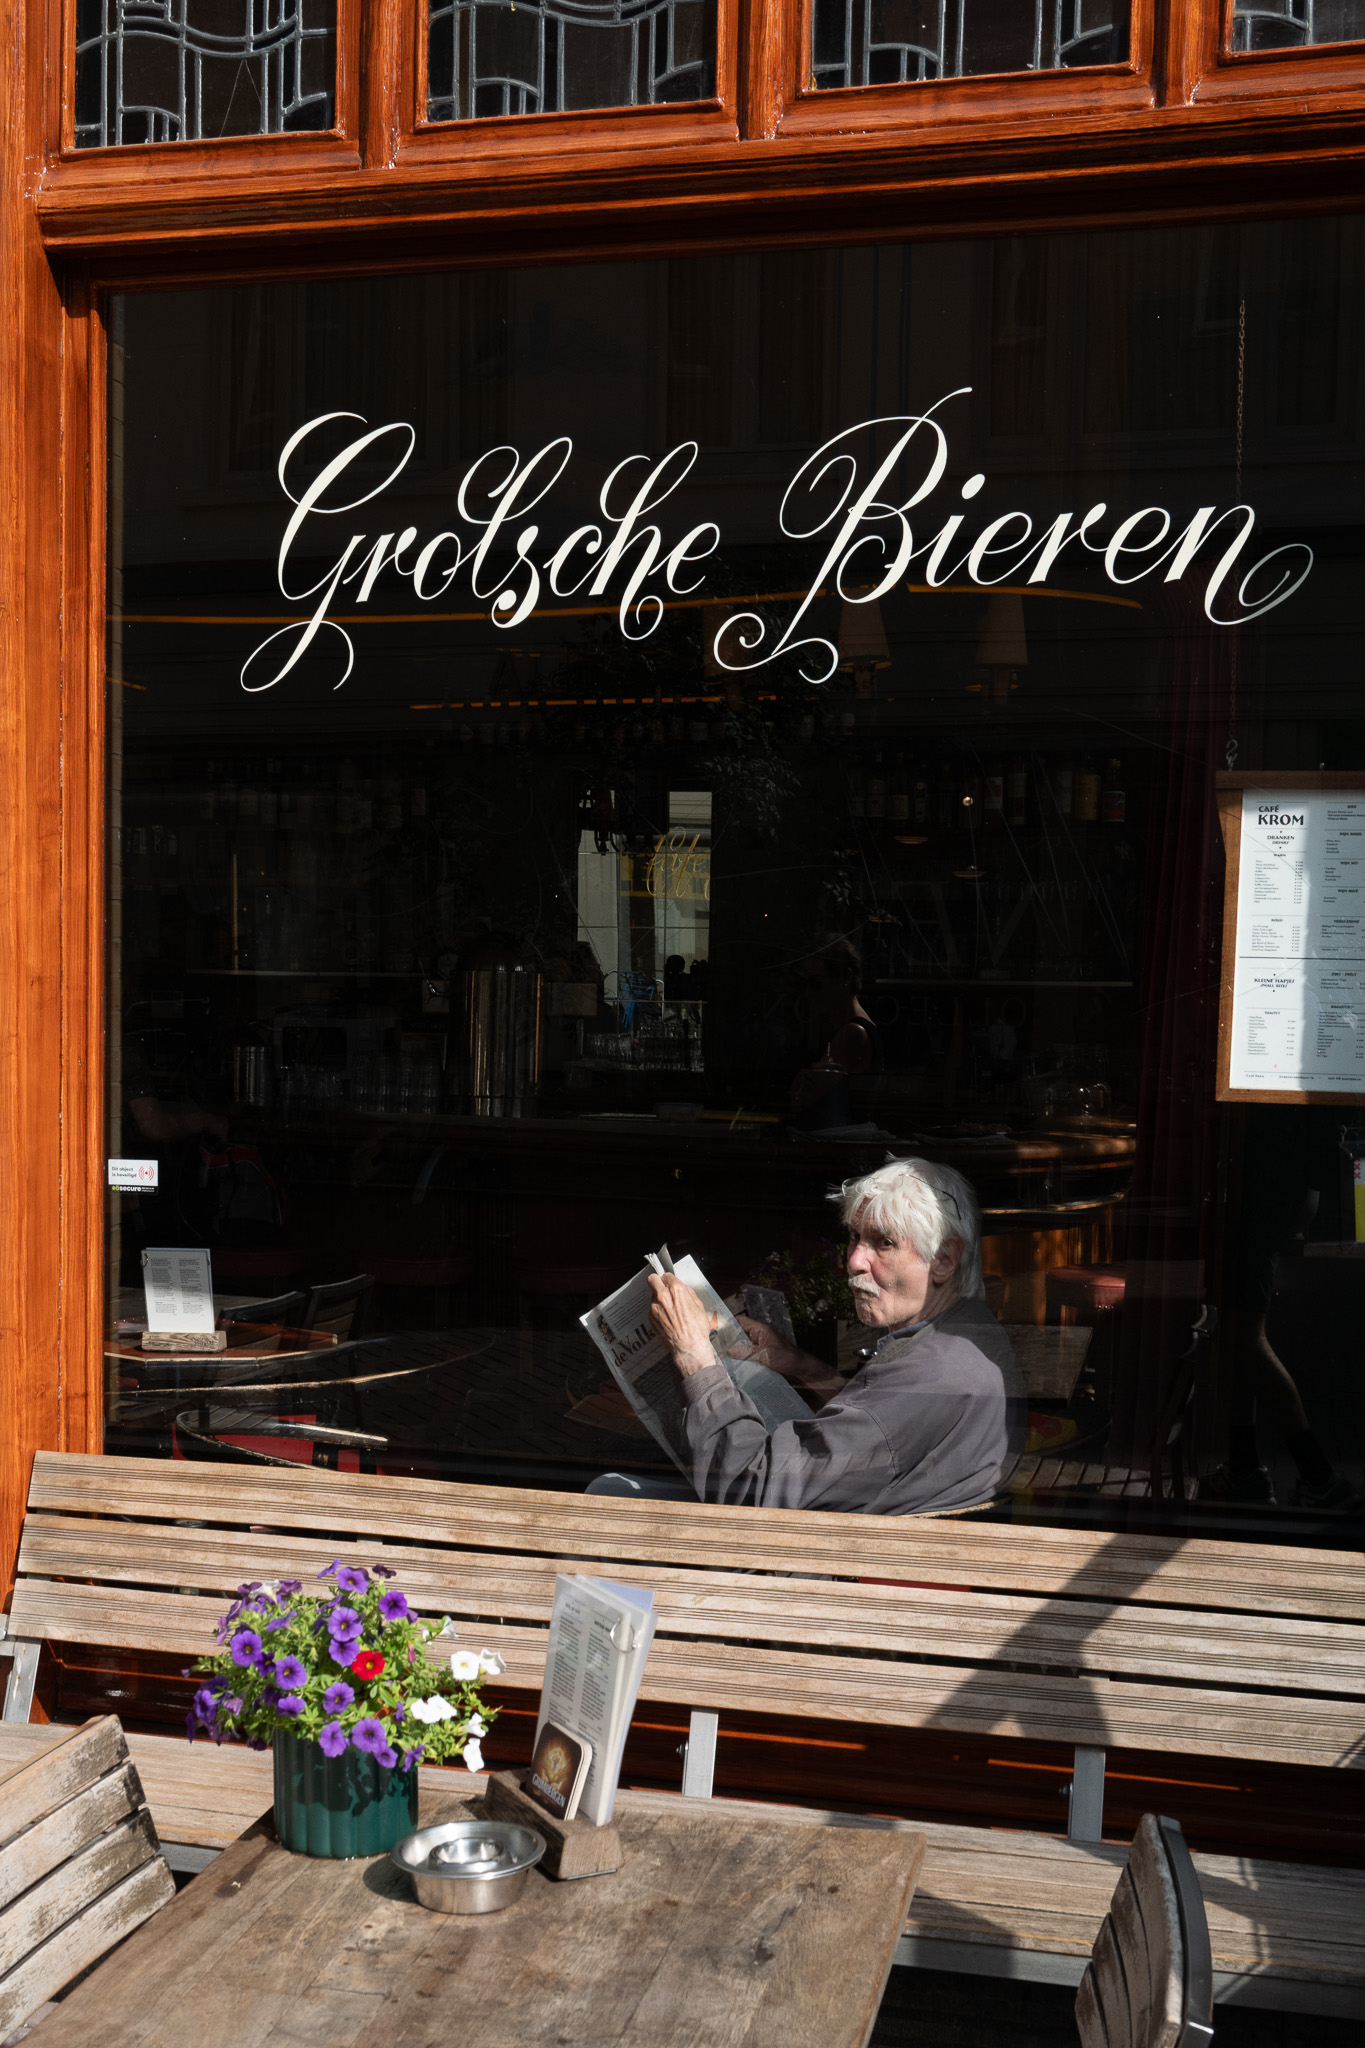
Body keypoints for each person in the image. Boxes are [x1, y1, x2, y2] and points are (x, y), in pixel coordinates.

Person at [646, 1157, 1025, 1514]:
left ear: (943, 1259)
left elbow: (750, 1492)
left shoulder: (930, 1376)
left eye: (884, 1242)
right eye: (855, 1237)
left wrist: (695, 1357)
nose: (855, 1260)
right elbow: (886, 1431)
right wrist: (804, 1367)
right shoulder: (969, 1330)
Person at [789, 933, 885, 1130]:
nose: (808, 992)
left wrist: (801, 1083)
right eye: (804, 984)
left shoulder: (852, 1033)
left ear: (846, 977)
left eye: (816, 983)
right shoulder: (854, 1028)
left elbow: (805, 1101)